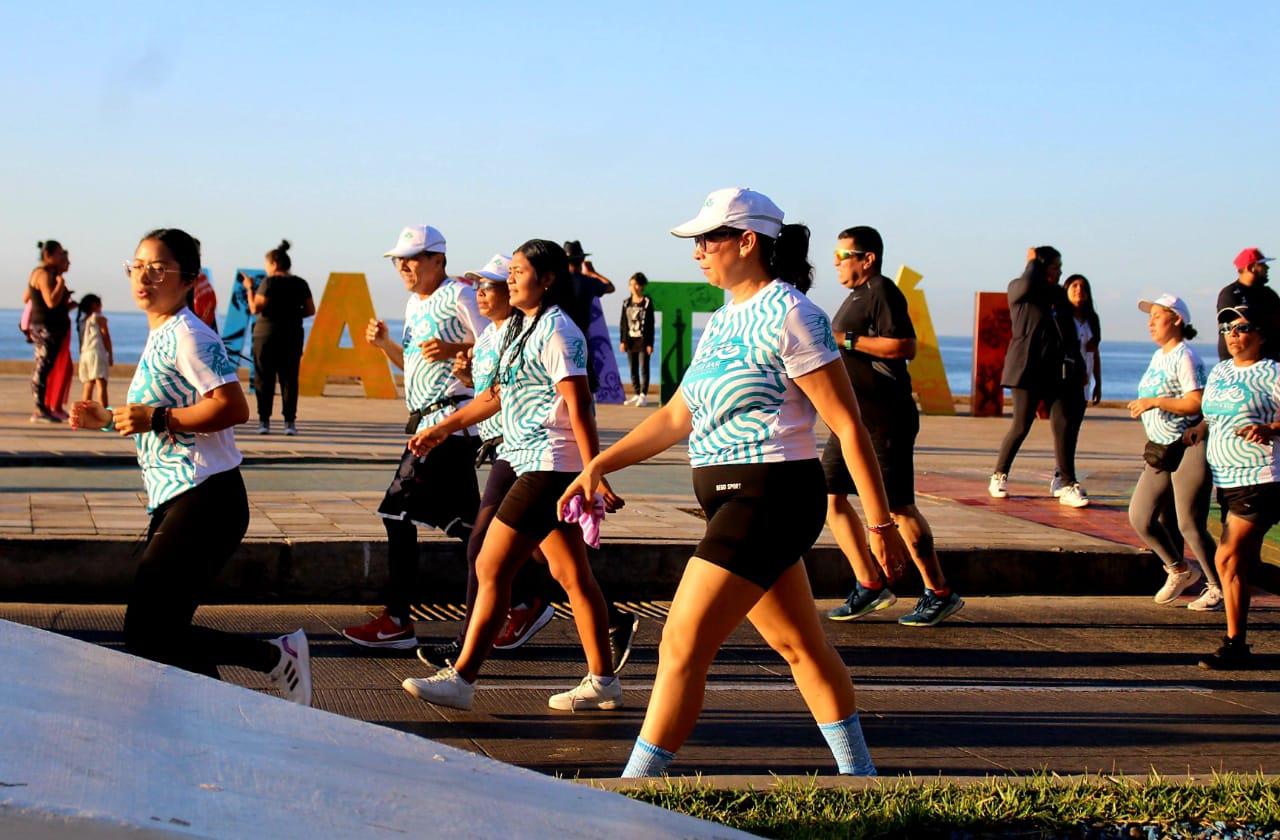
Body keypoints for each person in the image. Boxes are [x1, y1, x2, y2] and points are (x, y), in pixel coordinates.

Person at [557, 187, 912, 778]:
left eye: (708, 239)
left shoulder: (793, 313)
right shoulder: (725, 319)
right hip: (732, 500)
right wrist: (599, 465)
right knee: (801, 647)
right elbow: (678, 414)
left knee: (680, 645)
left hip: (771, 495)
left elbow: (849, 427)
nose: (697, 250)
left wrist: (879, 526)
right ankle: (862, 779)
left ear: (748, 242)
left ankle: (635, 788)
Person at [68, 228, 310, 704]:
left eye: (158, 268)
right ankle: (217, 714)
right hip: (182, 498)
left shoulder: (190, 335)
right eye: (137, 266)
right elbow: (156, 418)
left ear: (188, 279)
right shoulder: (163, 333)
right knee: (162, 634)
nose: (144, 276)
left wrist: (155, 417)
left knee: (146, 632)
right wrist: (107, 420)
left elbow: (233, 407)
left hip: (207, 498)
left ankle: (275, 657)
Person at [400, 240, 622, 713]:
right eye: (512, 271)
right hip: (525, 458)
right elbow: (493, 399)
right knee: (570, 573)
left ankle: (462, 677)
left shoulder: (560, 331)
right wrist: (440, 429)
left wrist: (593, 470)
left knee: (490, 564)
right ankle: (603, 679)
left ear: (546, 280)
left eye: (519, 271)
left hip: (549, 463)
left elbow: (581, 405)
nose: (510, 278)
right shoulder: (520, 328)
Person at [341, 225, 487, 650]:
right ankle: (529, 597)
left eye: (413, 257)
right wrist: (386, 345)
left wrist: (454, 347)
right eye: (398, 259)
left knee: (397, 514)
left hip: (448, 421)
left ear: (438, 260)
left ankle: (398, 619)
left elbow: (493, 345)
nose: (403, 266)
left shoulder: (458, 294)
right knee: (469, 527)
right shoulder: (414, 302)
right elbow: (412, 365)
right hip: (428, 420)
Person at [414, 253, 559, 666]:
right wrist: (462, 382)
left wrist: (594, 469)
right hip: (505, 451)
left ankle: (468, 653)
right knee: (554, 562)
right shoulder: (494, 339)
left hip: (536, 455)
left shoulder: (536, 332)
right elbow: (493, 396)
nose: (482, 292)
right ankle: (605, 628)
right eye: (478, 286)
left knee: (484, 546)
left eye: (491, 285)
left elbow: (572, 400)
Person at [823, 226, 964, 626]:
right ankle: (870, 584)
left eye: (842, 254)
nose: (835, 261)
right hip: (850, 419)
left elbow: (905, 346)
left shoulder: (882, 290)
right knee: (831, 498)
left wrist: (846, 340)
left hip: (886, 417)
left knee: (898, 506)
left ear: (867, 259)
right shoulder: (855, 296)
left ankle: (939, 591)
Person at [1190, 306, 1280, 670]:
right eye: (1226, 328)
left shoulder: (1272, 372)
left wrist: (1271, 429)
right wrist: (1197, 430)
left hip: (1261, 478)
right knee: (1241, 566)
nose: (1232, 334)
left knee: (1224, 558)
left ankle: (1233, 643)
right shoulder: (1221, 372)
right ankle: (1236, 644)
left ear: (1260, 335)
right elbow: (1212, 416)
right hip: (1225, 480)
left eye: (1241, 328)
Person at [1126, 295, 1220, 610]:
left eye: (1157, 315)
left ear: (1176, 319)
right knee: (1140, 516)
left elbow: (1196, 402)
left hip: (1188, 445)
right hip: (1160, 449)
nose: (1150, 322)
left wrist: (1154, 402)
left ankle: (1218, 586)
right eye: (1149, 317)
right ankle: (1179, 569)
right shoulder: (1159, 356)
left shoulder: (1186, 356)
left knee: (1189, 524)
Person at [989, 247, 1089, 507]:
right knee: (1021, 425)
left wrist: (1078, 367)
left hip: (1056, 371)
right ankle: (999, 474)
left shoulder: (1058, 295)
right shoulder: (1019, 289)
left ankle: (1066, 482)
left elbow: (1068, 334)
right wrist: (1033, 262)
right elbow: (1025, 284)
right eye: (1056, 266)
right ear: (1043, 267)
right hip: (1026, 370)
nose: (1060, 271)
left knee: (1063, 425)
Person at [243, 240, 315, 435]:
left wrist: (249, 288)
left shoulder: (269, 282)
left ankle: (264, 422)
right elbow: (310, 310)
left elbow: (255, 308)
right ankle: (289, 423)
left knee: (263, 379)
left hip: (266, 335)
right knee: (289, 379)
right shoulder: (300, 283)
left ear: (274, 263)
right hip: (292, 335)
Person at [26, 240, 73, 423]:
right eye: (60, 253)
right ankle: (40, 408)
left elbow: (26, 296)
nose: (63, 257)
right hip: (46, 328)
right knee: (43, 367)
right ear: (48, 255)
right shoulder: (43, 274)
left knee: (45, 367)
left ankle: (43, 407)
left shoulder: (39, 274)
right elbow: (51, 302)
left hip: (47, 327)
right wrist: (60, 284)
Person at [561, 240, 615, 391]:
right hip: (581, 335)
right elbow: (610, 287)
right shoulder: (589, 282)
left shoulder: (556, 283)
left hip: (558, 333)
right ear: (582, 261)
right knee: (585, 380)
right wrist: (592, 272)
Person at [1217, 248, 1279, 362]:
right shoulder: (1230, 294)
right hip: (1240, 364)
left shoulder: (1269, 295)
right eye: (1262, 265)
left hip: (1271, 362)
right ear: (1250, 268)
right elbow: (1232, 328)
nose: (1267, 268)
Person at [1064, 275, 1102, 406]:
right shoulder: (1059, 318)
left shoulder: (1092, 320)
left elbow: (1095, 353)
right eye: (1074, 286)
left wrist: (1098, 384)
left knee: (1075, 425)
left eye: (1083, 287)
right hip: (1064, 381)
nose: (1079, 289)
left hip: (1085, 382)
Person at [619, 272, 655, 406]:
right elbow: (623, 323)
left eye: (637, 284)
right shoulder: (626, 303)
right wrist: (622, 341)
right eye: (631, 285)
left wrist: (650, 343)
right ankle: (636, 393)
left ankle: (643, 395)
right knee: (632, 368)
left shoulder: (647, 302)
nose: (634, 287)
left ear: (642, 286)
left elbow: (651, 323)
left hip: (643, 341)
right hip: (630, 340)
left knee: (644, 368)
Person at [76, 294, 113, 406]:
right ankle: (105, 414)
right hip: (96, 353)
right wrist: (110, 354)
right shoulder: (98, 318)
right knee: (101, 384)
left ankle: (85, 413)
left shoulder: (81, 321)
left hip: (84, 355)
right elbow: (106, 336)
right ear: (94, 305)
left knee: (88, 385)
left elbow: (81, 341)